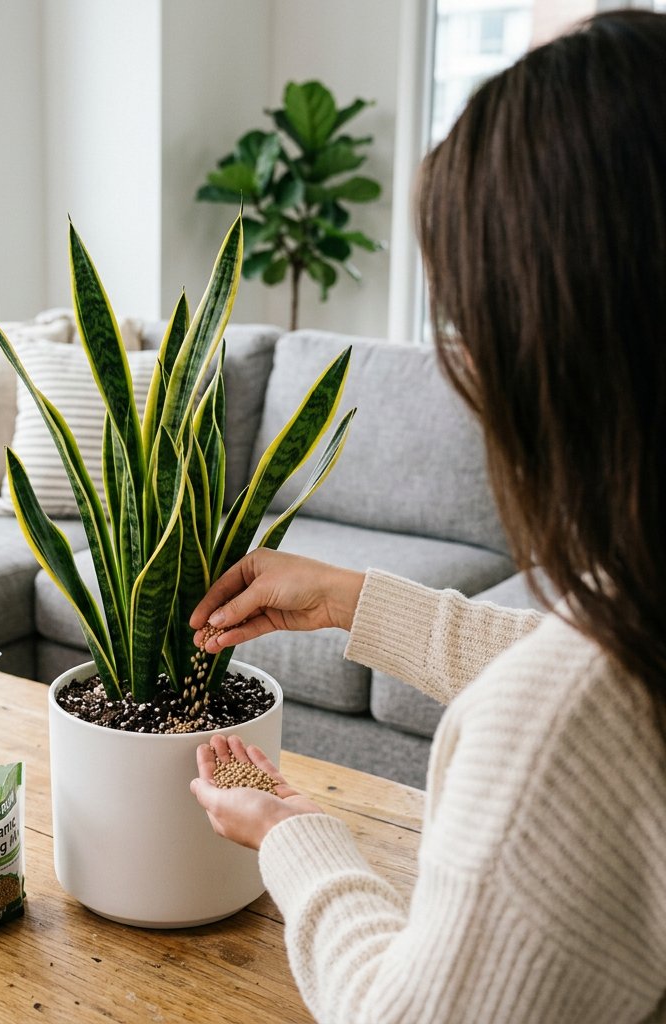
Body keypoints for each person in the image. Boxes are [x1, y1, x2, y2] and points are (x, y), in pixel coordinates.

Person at [189, 10, 666, 1023]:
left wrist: (293, 834)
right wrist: (355, 600)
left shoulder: (557, 723)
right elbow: (604, 672)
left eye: (465, 316)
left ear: (548, 343)